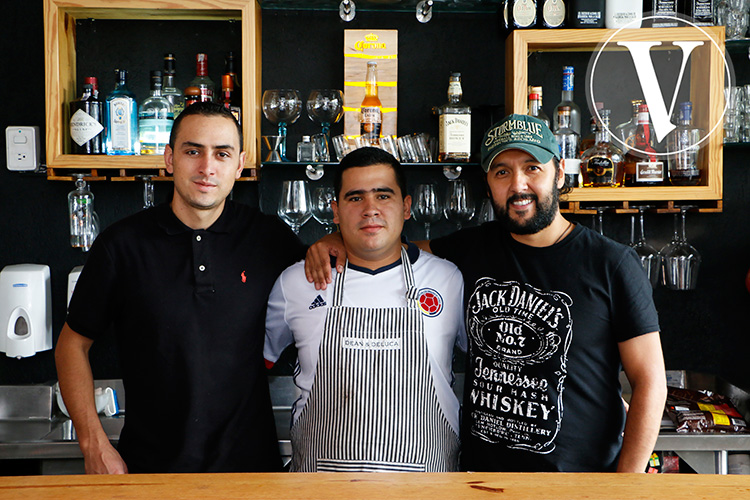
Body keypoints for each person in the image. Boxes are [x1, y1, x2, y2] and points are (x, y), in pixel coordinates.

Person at [304, 115, 667, 473]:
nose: (518, 185)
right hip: (482, 482)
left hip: (576, 483)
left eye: (532, 168)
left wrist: (627, 486)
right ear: (489, 184)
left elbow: (649, 381)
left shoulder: (611, 263)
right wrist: (338, 237)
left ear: (559, 173)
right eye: (502, 172)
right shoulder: (472, 249)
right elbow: (388, 248)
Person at [55, 102, 306, 474]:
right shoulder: (122, 244)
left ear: (239, 164)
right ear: (170, 158)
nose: (207, 168)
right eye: (193, 151)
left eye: (222, 154)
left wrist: (328, 244)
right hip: (150, 471)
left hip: (252, 472)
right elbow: (71, 345)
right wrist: (93, 442)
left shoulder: (270, 239)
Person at [264, 147, 467, 472]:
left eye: (383, 196)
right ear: (335, 210)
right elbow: (250, 370)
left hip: (428, 490)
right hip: (319, 489)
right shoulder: (296, 282)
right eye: (355, 198)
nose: (370, 209)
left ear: (406, 207)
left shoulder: (448, 280)